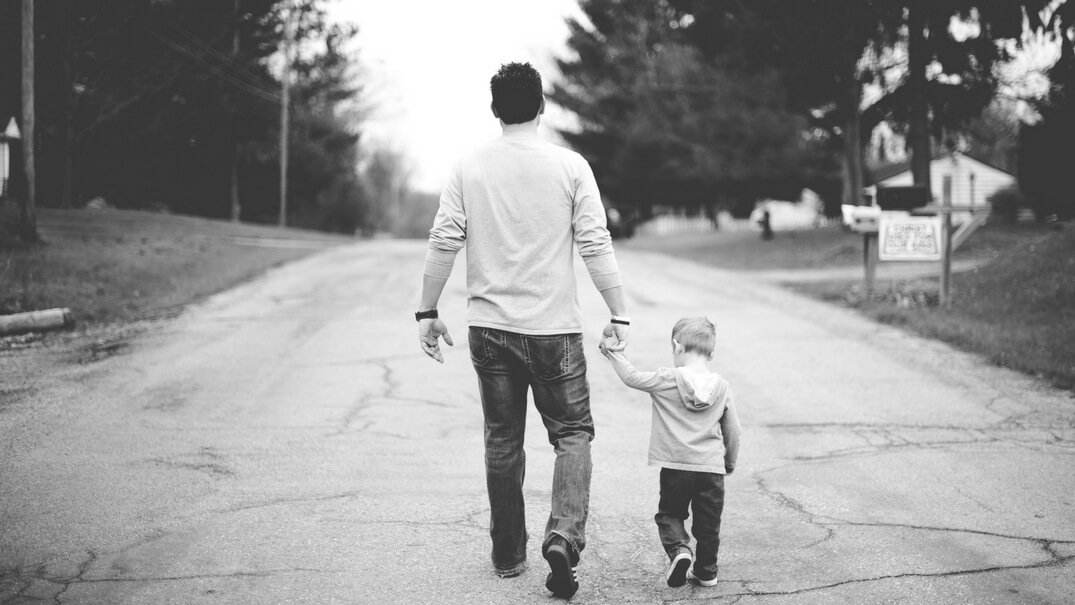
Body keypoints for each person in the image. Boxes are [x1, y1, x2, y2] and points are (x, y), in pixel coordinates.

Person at [415, 62, 629, 599]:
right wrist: (618, 312)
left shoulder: (469, 167)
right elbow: (595, 243)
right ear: (541, 107)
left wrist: (427, 310)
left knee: (503, 440)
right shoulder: (570, 166)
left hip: (490, 329)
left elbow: (445, 240)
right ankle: (563, 537)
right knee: (572, 434)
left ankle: (508, 555)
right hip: (554, 330)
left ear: (495, 109)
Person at [599, 317, 741, 588]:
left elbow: (632, 377)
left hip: (676, 467)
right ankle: (707, 572)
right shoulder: (722, 387)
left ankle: (680, 551)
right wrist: (729, 462)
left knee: (671, 515)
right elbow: (733, 429)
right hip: (711, 470)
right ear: (711, 353)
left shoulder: (668, 379)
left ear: (677, 346)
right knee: (708, 524)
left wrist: (613, 352)